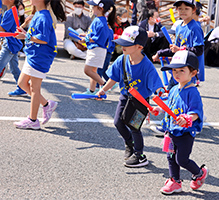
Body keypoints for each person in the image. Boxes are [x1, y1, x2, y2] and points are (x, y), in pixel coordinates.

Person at [96, 26, 164, 167]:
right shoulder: (122, 59)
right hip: (125, 97)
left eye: (127, 44)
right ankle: (129, 144)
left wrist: (160, 92)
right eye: (122, 43)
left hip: (141, 101)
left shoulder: (147, 65)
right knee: (118, 122)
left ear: (139, 47)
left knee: (134, 127)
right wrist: (103, 90)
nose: (122, 46)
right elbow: (113, 78)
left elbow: (156, 84)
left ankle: (140, 155)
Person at [149, 50, 208, 194]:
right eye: (174, 70)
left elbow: (196, 111)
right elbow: (170, 106)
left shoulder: (192, 92)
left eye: (182, 70)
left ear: (193, 73)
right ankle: (175, 181)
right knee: (170, 157)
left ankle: (199, 173)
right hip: (171, 130)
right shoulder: (175, 89)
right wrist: (159, 109)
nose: (177, 73)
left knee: (181, 159)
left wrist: (188, 118)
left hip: (185, 132)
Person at [13, 0, 66, 129]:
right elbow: (34, 35)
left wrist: (26, 37)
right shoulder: (38, 14)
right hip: (33, 54)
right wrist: (25, 34)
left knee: (34, 89)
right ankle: (47, 105)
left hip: (40, 57)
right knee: (22, 83)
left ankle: (33, 120)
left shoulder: (43, 17)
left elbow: (43, 39)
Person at [152, 0, 205, 83]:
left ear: (193, 10)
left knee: (185, 93)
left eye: (186, 9)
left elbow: (198, 50)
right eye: (180, 9)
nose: (183, 11)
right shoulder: (178, 27)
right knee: (172, 92)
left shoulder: (195, 28)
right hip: (177, 68)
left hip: (188, 70)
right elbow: (175, 49)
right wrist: (160, 53)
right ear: (176, 10)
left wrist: (180, 50)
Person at [78, 0, 115, 95]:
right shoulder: (99, 19)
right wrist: (86, 35)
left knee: (88, 70)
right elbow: (94, 34)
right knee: (93, 71)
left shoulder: (101, 22)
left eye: (93, 6)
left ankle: (106, 84)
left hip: (97, 50)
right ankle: (92, 90)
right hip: (96, 49)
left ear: (100, 8)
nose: (91, 8)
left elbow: (100, 38)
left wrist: (86, 39)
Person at [0, 0, 26, 97]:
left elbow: (3, 28)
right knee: (14, 68)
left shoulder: (11, 11)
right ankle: (22, 88)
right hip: (12, 43)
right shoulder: (12, 10)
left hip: (10, 44)